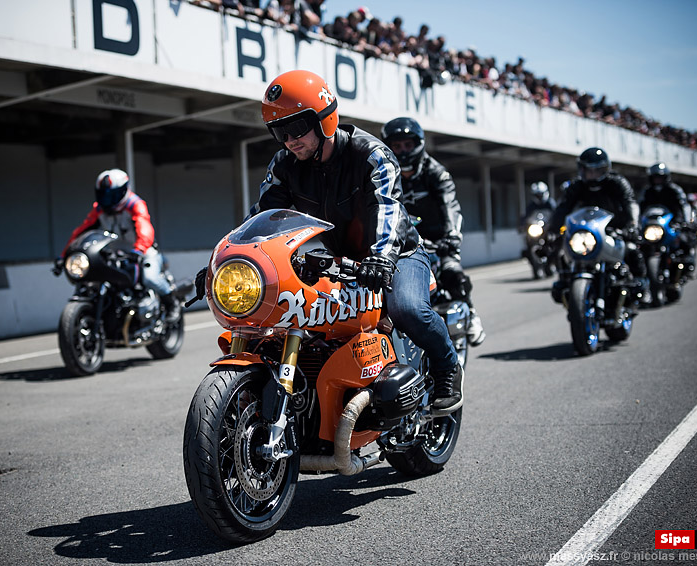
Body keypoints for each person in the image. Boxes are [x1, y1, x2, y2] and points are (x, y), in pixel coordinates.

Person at [200, 70, 463, 414]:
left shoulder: (371, 155)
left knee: (406, 309)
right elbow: (261, 218)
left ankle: (447, 368)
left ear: (324, 118)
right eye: (280, 132)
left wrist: (382, 259)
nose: (290, 140)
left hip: (397, 253)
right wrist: (225, 265)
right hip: (338, 258)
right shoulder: (286, 164)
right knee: (297, 318)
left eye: (297, 128)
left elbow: (388, 209)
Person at [379, 116, 485, 346]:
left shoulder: (436, 172)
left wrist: (452, 236)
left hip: (437, 239)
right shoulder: (383, 173)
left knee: (452, 272)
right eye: (396, 146)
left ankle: (472, 313)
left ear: (419, 144)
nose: (403, 150)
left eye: (407, 144)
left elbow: (450, 205)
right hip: (400, 243)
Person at [57, 169, 181, 323]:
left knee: (150, 278)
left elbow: (144, 228)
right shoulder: (99, 210)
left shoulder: (135, 204)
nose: (108, 200)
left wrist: (139, 249)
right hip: (113, 253)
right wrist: (64, 255)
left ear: (123, 191)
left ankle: (172, 304)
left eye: (112, 195)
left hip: (141, 251)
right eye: (104, 195)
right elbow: (81, 232)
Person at [548, 147, 647, 300]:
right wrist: (552, 230)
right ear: (582, 169)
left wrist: (632, 224)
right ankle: (564, 282)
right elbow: (562, 208)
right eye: (589, 170)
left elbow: (630, 203)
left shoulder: (617, 183)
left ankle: (639, 283)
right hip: (585, 232)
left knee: (631, 249)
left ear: (605, 169)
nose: (592, 174)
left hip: (614, 230)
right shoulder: (576, 186)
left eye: (597, 170)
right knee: (562, 253)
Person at [639, 162, 695, 274]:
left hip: (672, 223)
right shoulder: (647, 191)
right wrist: (636, 223)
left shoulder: (675, 190)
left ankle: (689, 265)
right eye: (655, 177)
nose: (657, 180)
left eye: (660, 177)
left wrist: (686, 222)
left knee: (684, 240)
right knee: (638, 247)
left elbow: (684, 206)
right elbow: (639, 207)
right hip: (652, 225)